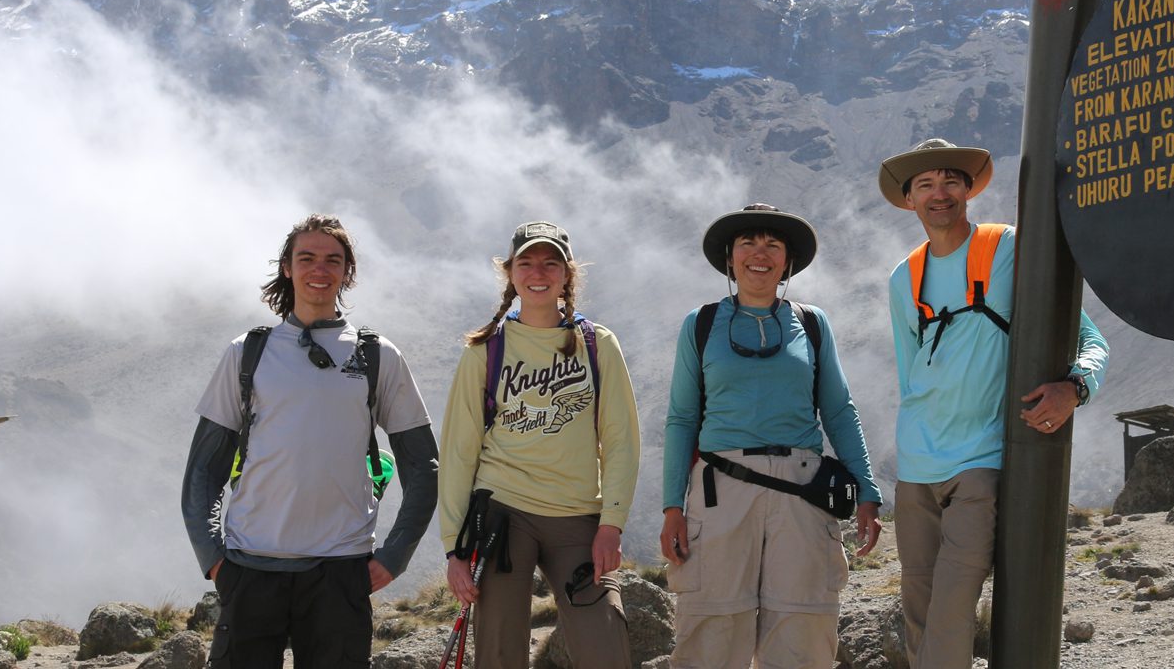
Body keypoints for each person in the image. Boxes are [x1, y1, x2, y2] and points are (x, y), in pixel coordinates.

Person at [878, 139, 1109, 668]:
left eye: (950, 181)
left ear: (969, 190)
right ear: (909, 199)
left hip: (980, 463)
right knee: (918, 613)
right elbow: (911, 372)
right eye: (926, 185)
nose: (940, 194)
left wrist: (1075, 388)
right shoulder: (902, 278)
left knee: (952, 609)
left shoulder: (1010, 248)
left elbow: (1091, 340)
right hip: (915, 469)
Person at [182, 213, 439, 669]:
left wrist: (394, 557)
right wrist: (215, 559)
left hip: (340, 571)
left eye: (332, 260)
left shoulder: (377, 355)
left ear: (347, 271)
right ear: (287, 267)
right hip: (250, 566)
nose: (319, 269)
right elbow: (204, 468)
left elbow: (422, 466)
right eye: (307, 257)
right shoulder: (247, 353)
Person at [661, 203, 882, 668]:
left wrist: (867, 491)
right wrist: (672, 508)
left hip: (802, 491)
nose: (759, 254)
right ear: (729, 257)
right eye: (748, 243)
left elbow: (839, 411)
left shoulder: (813, 324)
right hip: (719, 487)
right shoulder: (700, 325)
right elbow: (682, 419)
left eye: (773, 245)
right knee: (711, 628)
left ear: (787, 262)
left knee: (802, 628)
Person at [437, 221, 641, 669]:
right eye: (526, 262)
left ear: (567, 274)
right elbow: (457, 452)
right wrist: (454, 548)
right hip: (502, 518)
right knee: (499, 653)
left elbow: (621, 438)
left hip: (579, 516)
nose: (538, 272)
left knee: (605, 646)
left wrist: (613, 523)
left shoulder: (596, 344)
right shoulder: (485, 350)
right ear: (510, 272)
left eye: (551, 263)